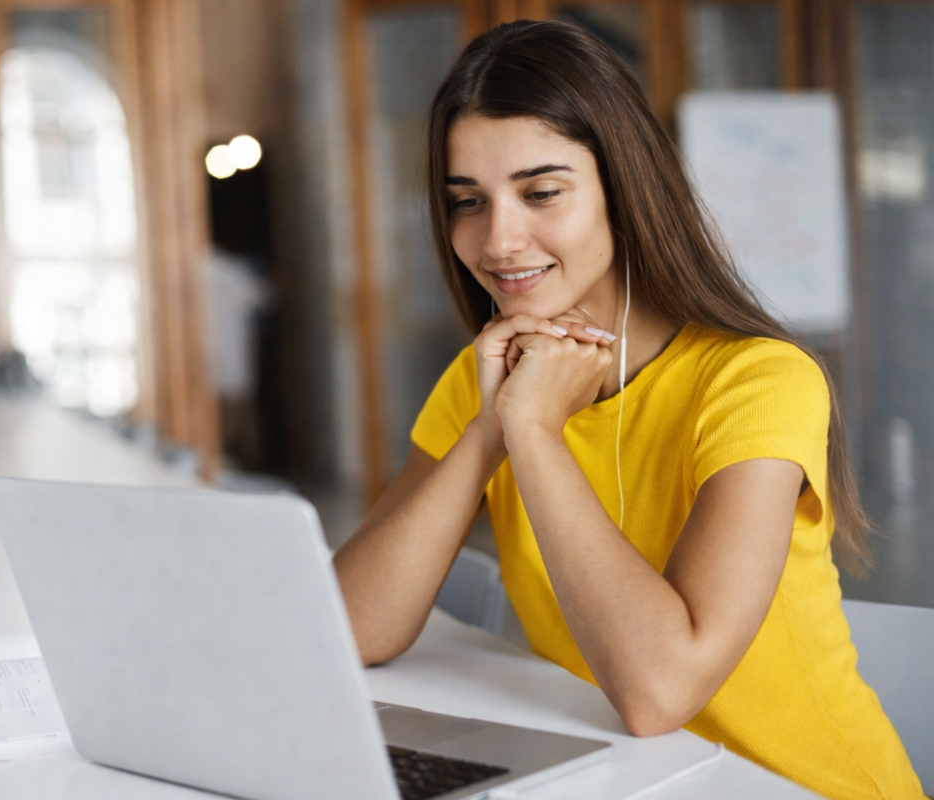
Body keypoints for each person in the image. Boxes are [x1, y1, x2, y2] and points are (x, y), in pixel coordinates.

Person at [332, 20, 923, 800]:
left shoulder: (758, 382)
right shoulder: (487, 381)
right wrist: (492, 428)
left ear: (624, 188)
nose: (498, 240)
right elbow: (348, 632)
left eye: (541, 192)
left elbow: (659, 692)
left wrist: (534, 431)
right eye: (467, 201)